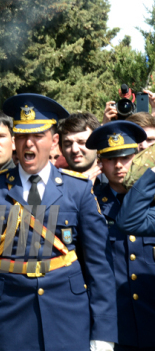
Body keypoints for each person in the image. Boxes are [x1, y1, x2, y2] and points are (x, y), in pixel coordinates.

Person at [0, 93, 117, 351]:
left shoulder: (77, 189)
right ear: (14, 141)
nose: (29, 144)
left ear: (54, 141)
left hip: (69, 317)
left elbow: (99, 267)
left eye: (37, 136)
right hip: (10, 317)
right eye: (23, 136)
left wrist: (103, 331)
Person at [86, 120, 155, 350]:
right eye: (110, 159)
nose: (119, 166)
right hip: (116, 326)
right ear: (100, 164)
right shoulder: (90, 203)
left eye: (125, 158)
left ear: (138, 157)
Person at [56, 112, 105, 184]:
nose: (75, 150)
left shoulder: (115, 185)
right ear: (61, 149)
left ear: (97, 144)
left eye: (82, 143)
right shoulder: (53, 187)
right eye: (68, 144)